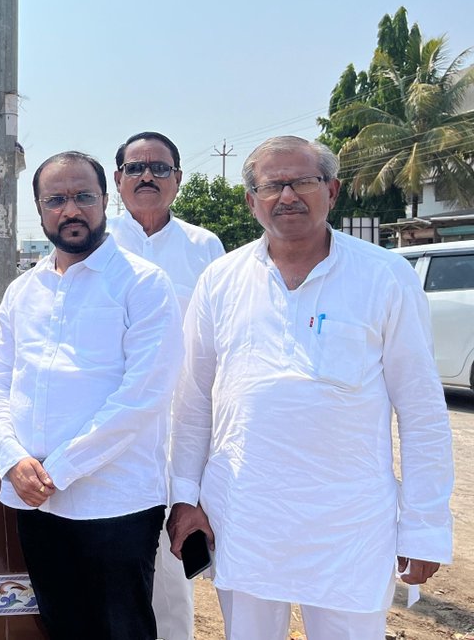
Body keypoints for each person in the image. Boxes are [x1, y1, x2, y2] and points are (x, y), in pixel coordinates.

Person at [168, 136, 454, 640]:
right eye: (272, 185)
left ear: (333, 191)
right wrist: (185, 498)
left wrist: (424, 525)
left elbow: (422, 411)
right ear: (250, 199)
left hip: (349, 523)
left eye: (303, 181)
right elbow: (192, 404)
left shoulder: (384, 276)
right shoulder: (221, 280)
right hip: (245, 513)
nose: (288, 196)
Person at [0, 151, 184, 639]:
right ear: (40, 208)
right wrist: (11, 457)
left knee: (120, 630)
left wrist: (58, 470)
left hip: (116, 504)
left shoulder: (143, 284)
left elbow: (143, 395)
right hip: (35, 502)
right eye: (57, 200)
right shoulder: (23, 291)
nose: (71, 210)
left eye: (83, 197)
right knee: (62, 628)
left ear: (105, 201)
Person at [110, 131, 224, 640]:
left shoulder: (205, 247)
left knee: (176, 564)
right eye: (135, 168)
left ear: (178, 179)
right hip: (112, 429)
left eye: (159, 167)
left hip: (183, 427)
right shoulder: (96, 242)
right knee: (112, 562)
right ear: (117, 181)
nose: (147, 177)